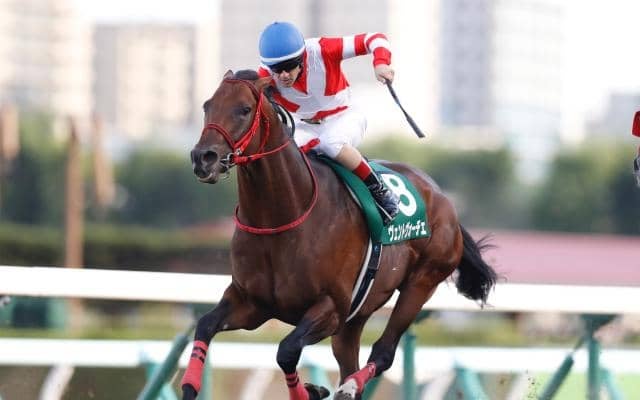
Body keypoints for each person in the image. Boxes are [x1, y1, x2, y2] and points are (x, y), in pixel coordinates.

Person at [257, 21, 399, 225]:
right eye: (276, 70)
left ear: (301, 58)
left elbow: (374, 39)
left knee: (330, 143)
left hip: (344, 116)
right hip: (303, 125)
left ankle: (380, 190)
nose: (283, 76)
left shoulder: (323, 49)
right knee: (281, 155)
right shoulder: (264, 75)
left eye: (289, 67)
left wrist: (381, 63)